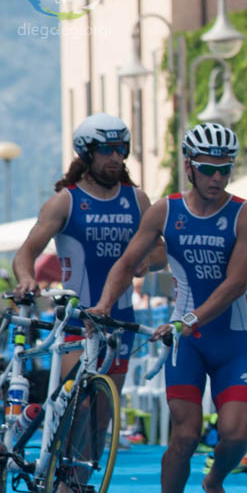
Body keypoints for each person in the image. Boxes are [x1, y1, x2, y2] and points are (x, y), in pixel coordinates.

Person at [90, 123, 247, 493]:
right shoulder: (165, 211)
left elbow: (235, 284)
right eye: (208, 170)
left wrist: (187, 320)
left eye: (225, 170)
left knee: (237, 435)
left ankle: (215, 481)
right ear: (189, 166)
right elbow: (126, 262)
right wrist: (104, 305)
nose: (218, 179)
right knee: (184, 436)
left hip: (230, 340)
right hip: (185, 344)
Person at [13, 113, 162, 397]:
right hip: (76, 318)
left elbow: (160, 250)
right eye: (107, 150)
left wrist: (149, 260)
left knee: (102, 415)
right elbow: (25, 253)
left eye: (121, 150)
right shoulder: (64, 201)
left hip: (120, 318)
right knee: (77, 404)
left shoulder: (137, 199)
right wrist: (26, 279)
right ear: (86, 153)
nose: (116, 157)